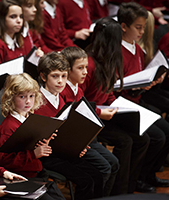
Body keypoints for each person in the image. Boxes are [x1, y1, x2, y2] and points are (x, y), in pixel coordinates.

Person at [80, 17, 150, 195]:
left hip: (106, 112)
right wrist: (100, 111)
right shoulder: (88, 64)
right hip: (90, 119)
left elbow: (107, 92)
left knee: (143, 138)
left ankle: (129, 188)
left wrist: (116, 104)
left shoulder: (109, 59)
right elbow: (78, 102)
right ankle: (118, 192)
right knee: (125, 141)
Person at [34, 52, 105, 199]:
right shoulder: (36, 102)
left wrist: (78, 145)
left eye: (64, 76)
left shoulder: (59, 98)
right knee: (85, 181)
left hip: (64, 151)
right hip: (48, 156)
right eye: (55, 76)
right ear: (43, 77)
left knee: (97, 175)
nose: (60, 81)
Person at [117, 2, 169, 192]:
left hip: (136, 102)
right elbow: (117, 87)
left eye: (143, 28)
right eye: (137, 28)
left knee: (165, 131)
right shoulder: (117, 51)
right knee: (155, 137)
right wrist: (138, 86)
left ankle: (148, 174)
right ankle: (136, 179)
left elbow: (139, 79)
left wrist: (152, 81)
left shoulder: (137, 50)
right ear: (123, 27)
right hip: (122, 105)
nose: (141, 32)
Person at [0, 73, 66, 200]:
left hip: (36, 172)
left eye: (31, 96)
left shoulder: (29, 119)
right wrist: (33, 154)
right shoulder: (9, 126)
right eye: (22, 96)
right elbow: (4, 161)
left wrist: (44, 138)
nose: (28, 101)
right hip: (21, 178)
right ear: (11, 97)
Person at [60, 46, 119, 196]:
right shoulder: (63, 91)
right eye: (80, 68)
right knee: (104, 168)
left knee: (114, 163)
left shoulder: (78, 89)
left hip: (87, 138)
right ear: (67, 70)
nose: (86, 72)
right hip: (76, 142)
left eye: (86, 67)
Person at [0, 0, 25, 66]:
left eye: (21, 16)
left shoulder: (18, 41)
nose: (19, 21)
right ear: (2, 19)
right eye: (13, 17)